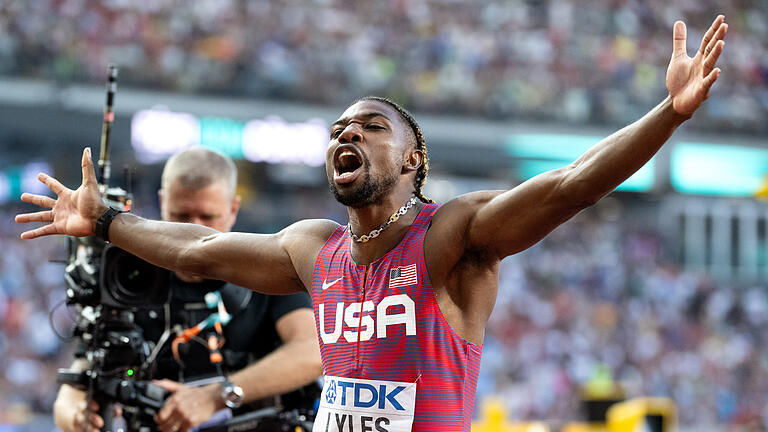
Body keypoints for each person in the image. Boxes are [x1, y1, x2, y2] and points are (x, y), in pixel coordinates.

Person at [17, 16, 727, 432]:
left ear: (413, 156)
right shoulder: (312, 248)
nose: (344, 137)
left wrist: (668, 113)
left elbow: (572, 185)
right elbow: (197, 249)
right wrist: (106, 222)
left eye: (368, 126)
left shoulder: (455, 235)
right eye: (335, 130)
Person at [50, 148, 322, 432]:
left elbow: (313, 351)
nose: (195, 229)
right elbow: (80, 377)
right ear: (162, 202)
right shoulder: (128, 279)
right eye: (181, 216)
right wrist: (74, 413)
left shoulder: (264, 270)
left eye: (207, 216)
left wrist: (217, 396)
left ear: (233, 209)